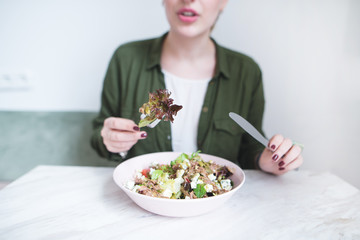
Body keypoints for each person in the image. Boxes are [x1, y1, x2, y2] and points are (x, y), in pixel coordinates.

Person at [91, 0, 303, 175]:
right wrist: (110, 140)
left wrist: (265, 160)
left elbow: (250, 149)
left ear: (223, 3)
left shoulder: (246, 72)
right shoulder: (125, 59)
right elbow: (98, 134)